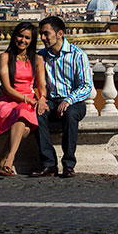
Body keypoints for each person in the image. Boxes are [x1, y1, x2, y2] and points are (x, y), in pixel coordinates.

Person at [0, 22, 46, 176]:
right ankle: (10, 159)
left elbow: (42, 85)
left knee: (26, 127)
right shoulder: (5, 57)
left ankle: (2, 157)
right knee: (23, 113)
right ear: (14, 36)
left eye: (27, 37)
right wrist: (29, 101)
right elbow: (7, 88)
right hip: (7, 101)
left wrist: (42, 99)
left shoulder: (37, 59)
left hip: (28, 101)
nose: (23, 40)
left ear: (32, 40)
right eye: (20, 36)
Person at [32, 16, 92, 178]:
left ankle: (68, 163)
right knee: (36, 115)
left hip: (74, 101)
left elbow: (86, 86)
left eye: (46, 34)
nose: (43, 38)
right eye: (41, 34)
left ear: (59, 34)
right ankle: (48, 163)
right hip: (50, 101)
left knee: (70, 114)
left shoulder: (78, 55)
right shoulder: (41, 56)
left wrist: (68, 100)